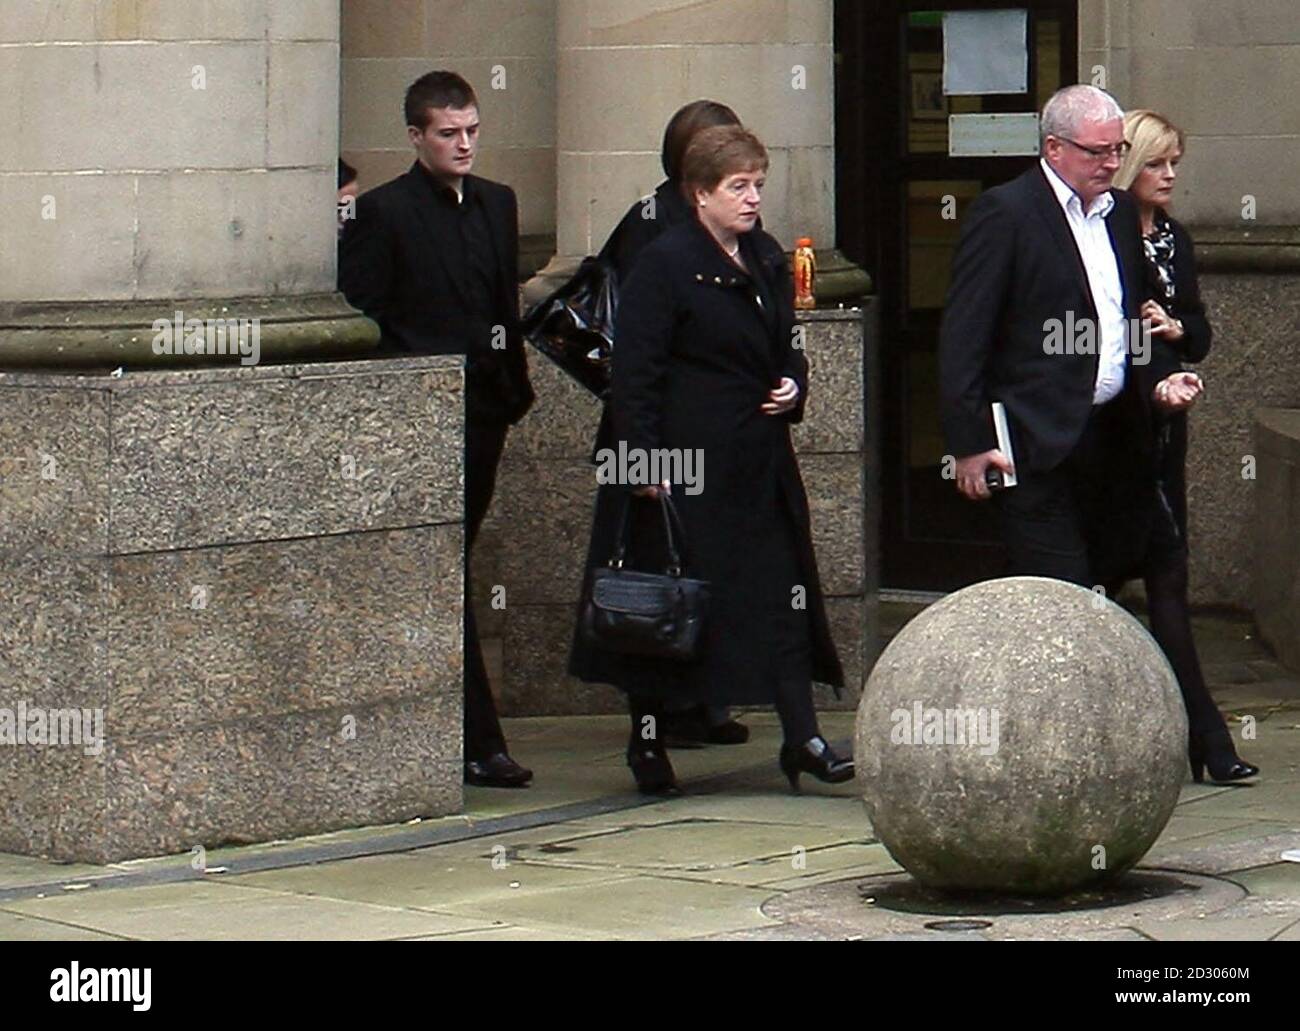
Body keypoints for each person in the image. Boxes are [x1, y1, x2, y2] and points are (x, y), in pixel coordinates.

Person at [938, 84, 1255, 784]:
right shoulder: (1007, 215)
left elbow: (1133, 322)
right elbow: (963, 336)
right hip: (1037, 441)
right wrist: (968, 440)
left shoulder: (1115, 218)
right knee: (1063, 605)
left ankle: (1171, 736)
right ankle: (1062, 761)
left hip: (1117, 439)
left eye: (1117, 150)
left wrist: (1159, 380)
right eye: (1097, 151)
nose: (1111, 163)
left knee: (1148, 571)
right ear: (1054, 148)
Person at [569, 125, 850, 796]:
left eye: (758, 184)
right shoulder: (665, 263)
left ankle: (803, 736)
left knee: (783, 597)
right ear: (700, 194)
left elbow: (784, 343)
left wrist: (793, 380)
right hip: (684, 466)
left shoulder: (765, 255)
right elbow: (635, 372)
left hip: (757, 463)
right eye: (738, 187)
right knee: (667, 608)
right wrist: (640, 460)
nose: (753, 198)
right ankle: (647, 746)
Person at [339, 71, 536, 788]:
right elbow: (366, 315)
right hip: (423, 417)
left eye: (472, 131)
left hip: (486, 410)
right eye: (448, 133)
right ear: (417, 136)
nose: (463, 144)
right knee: (447, 568)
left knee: (456, 564)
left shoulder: (497, 203)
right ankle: (477, 738)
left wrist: (513, 388)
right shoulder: (383, 212)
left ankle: (474, 736)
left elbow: (502, 302)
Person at [596, 100, 751, 749]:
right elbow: (638, 356)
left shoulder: (725, 229)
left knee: (707, 572)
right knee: (656, 581)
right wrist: (641, 454)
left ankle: (701, 700)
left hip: (711, 435)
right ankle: (654, 724)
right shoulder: (654, 227)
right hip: (657, 434)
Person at [1109, 109, 1257, 783]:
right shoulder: (1104, 233)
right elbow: (1099, 332)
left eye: (1176, 164)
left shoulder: (1175, 238)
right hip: (1115, 424)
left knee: (1168, 573)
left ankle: (1204, 733)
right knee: (1116, 578)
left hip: (1169, 422)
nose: (1169, 176)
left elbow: (1199, 331)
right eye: (1159, 163)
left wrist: (1174, 326)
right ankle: (1196, 732)